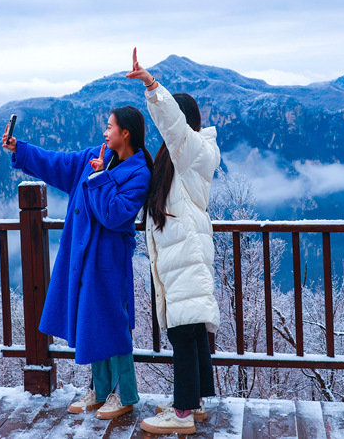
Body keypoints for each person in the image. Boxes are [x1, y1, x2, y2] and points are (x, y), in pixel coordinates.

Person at [2, 106, 153, 419]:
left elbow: (114, 214)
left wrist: (99, 176)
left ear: (125, 133)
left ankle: (125, 394)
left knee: (113, 322)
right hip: (82, 256)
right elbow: (58, 163)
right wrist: (22, 150)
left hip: (110, 260)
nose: (104, 132)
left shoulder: (140, 173)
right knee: (92, 319)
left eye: (109, 127)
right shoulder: (93, 156)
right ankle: (100, 389)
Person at [126, 49, 221, 435]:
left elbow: (175, 128)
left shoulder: (195, 152)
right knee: (191, 326)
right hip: (178, 255)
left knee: (183, 329)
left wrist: (152, 86)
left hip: (187, 254)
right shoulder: (175, 161)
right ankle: (194, 403)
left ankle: (181, 415)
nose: (167, 132)